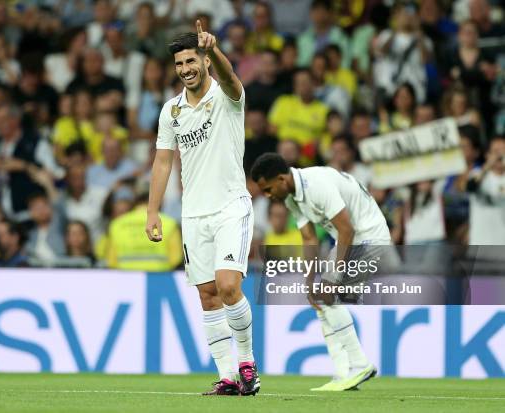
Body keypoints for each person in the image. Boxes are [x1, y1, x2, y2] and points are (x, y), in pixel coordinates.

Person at [145, 23, 259, 396]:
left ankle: (246, 363)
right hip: (194, 215)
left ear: (205, 60)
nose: (185, 69)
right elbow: (163, 163)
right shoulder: (171, 111)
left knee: (228, 286)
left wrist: (219, 51)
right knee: (208, 295)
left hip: (231, 208)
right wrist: (152, 212)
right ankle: (227, 376)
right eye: (179, 63)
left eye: (191, 60)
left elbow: (229, 77)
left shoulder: (227, 96)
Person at [251, 153, 384, 391]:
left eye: (269, 189)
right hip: (349, 240)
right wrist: (309, 281)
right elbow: (309, 238)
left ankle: (360, 364)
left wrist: (332, 278)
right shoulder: (292, 197)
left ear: (282, 179)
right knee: (319, 299)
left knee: (327, 295)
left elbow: (347, 230)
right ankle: (343, 374)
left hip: (369, 238)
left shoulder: (317, 185)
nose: (268, 196)